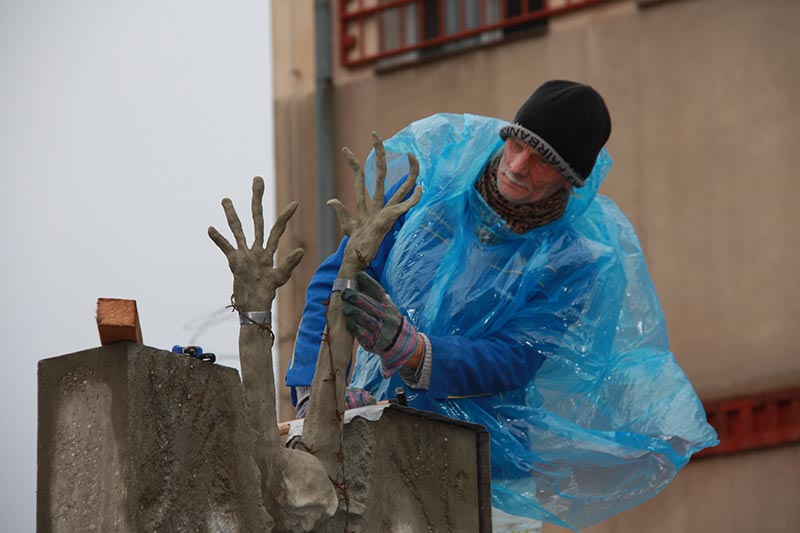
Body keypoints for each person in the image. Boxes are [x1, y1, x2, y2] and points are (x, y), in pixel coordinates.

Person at [286, 80, 717, 531]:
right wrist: (317, 392)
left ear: (570, 181)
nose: (517, 165)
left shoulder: (572, 260)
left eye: (543, 162)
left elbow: (516, 356)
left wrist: (415, 352)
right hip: (374, 427)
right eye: (517, 143)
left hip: (483, 472)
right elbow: (338, 281)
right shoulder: (427, 190)